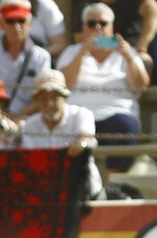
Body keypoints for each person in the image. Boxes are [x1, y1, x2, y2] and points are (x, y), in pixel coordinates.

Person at [55, 2, 146, 183]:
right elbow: (65, 84)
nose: (97, 27)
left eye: (103, 24)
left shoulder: (128, 52)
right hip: (79, 116)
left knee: (126, 126)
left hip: (116, 114)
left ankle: (112, 186)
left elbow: (140, 86)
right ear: (84, 28)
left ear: (112, 28)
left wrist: (128, 57)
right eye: (91, 24)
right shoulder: (72, 52)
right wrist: (82, 53)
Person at [18, 68, 101, 198]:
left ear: (65, 98)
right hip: (44, 195)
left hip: (84, 193)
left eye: (55, 97)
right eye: (43, 98)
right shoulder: (29, 126)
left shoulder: (81, 114)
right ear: (37, 101)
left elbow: (86, 136)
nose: (49, 103)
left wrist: (80, 144)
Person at [0, 0, 51, 117]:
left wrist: (17, 116)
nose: (16, 26)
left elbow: (44, 97)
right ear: (1, 24)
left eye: (21, 20)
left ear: (30, 23)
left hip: (27, 121)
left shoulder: (41, 57)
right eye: (10, 21)